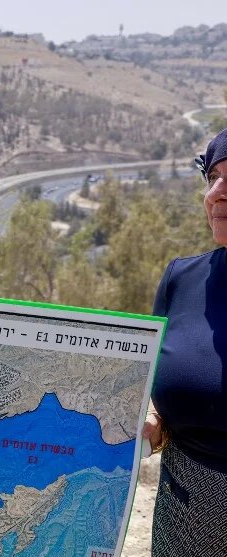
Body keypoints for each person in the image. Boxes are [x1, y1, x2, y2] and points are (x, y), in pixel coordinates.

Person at [145, 127, 227, 556]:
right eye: (213, 177)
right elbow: (154, 385)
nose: (217, 193)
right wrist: (152, 422)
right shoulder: (182, 279)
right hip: (186, 521)